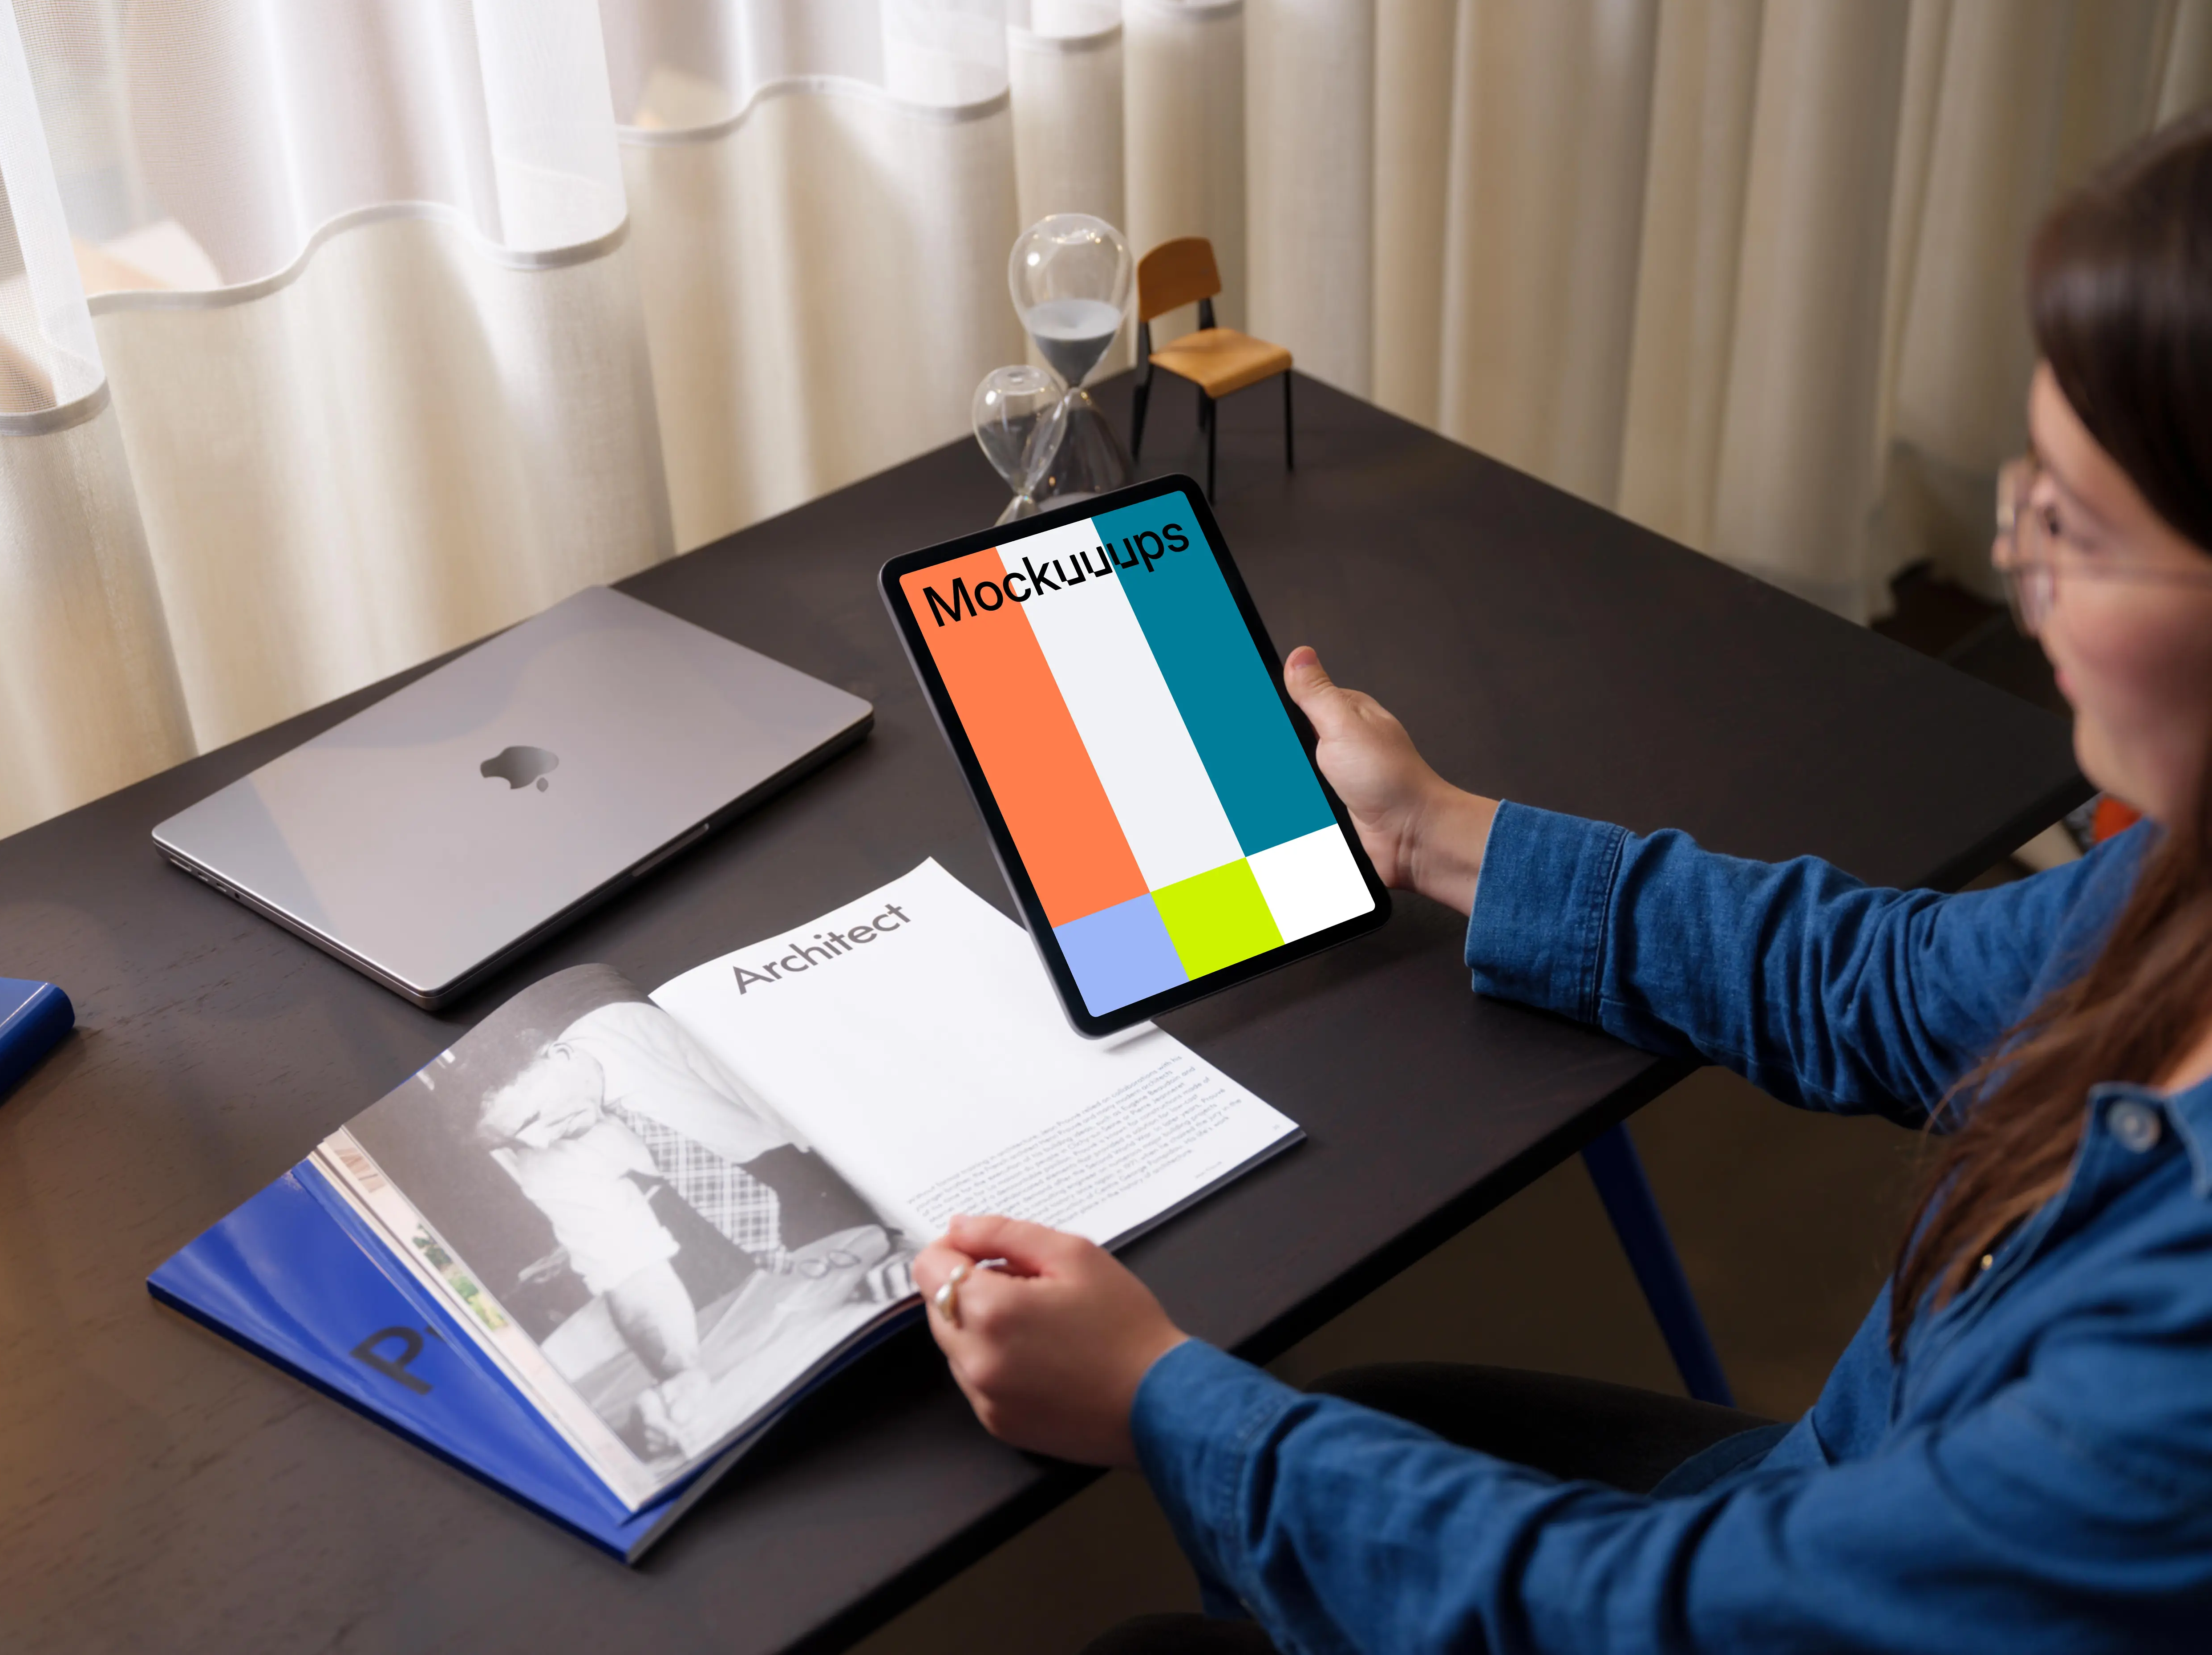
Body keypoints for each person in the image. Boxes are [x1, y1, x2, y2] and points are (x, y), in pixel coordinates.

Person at [911, 110, 2212, 1651]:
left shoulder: (2167, 1395)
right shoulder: (2177, 896)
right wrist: (1430, 829)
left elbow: (1660, 1620)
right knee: (1369, 1425)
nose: (2016, 566)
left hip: (1755, 1578)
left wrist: (1158, 1401)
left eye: (2072, 523)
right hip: (1825, 1490)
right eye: (2024, 491)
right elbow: (1885, 980)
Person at [478, 1000, 899, 1453]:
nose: (536, 1141)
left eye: (530, 1119)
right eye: (510, 1140)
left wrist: (909, 1235)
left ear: (557, 1056)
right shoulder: (544, 1152)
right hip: (768, 1230)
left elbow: (845, 1120)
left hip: (847, 1158)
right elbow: (627, 1267)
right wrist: (679, 1376)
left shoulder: (655, 1030)